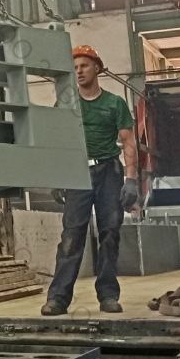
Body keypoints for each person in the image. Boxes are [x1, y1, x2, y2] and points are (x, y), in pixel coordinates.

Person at [42, 44, 139, 315]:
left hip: (109, 172)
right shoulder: (66, 104)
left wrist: (131, 180)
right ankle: (58, 298)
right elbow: (59, 142)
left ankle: (108, 295)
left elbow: (128, 142)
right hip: (78, 173)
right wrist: (58, 176)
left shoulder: (114, 103)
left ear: (97, 68)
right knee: (72, 236)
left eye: (84, 65)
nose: (79, 71)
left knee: (110, 233)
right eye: (74, 67)